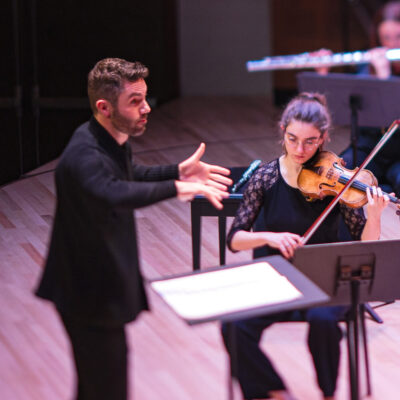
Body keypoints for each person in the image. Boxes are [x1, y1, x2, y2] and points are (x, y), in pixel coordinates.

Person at [35, 57, 232, 400]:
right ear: (104, 107)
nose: (146, 109)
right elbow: (113, 192)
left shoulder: (106, 138)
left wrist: (177, 172)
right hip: (87, 292)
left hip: (97, 282)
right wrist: (177, 189)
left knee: (97, 388)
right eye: (135, 102)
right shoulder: (86, 153)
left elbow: (128, 175)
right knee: (106, 389)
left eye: (145, 98)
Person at [221, 92, 390, 400]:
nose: (300, 150)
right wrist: (270, 237)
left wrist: (375, 216)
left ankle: (327, 393)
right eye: (292, 139)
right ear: (282, 131)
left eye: (310, 142)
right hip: (277, 280)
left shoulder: (337, 181)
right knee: (233, 325)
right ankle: (272, 390)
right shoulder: (265, 177)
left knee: (323, 320)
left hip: (326, 282)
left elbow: (362, 244)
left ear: (323, 138)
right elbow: (235, 238)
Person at [317, 1, 400, 195]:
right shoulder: (366, 68)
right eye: (385, 38)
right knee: (334, 177)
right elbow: (342, 110)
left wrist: (384, 78)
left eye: (398, 37)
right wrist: (323, 76)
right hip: (370, 150)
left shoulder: (380, 68)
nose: (392, 45)